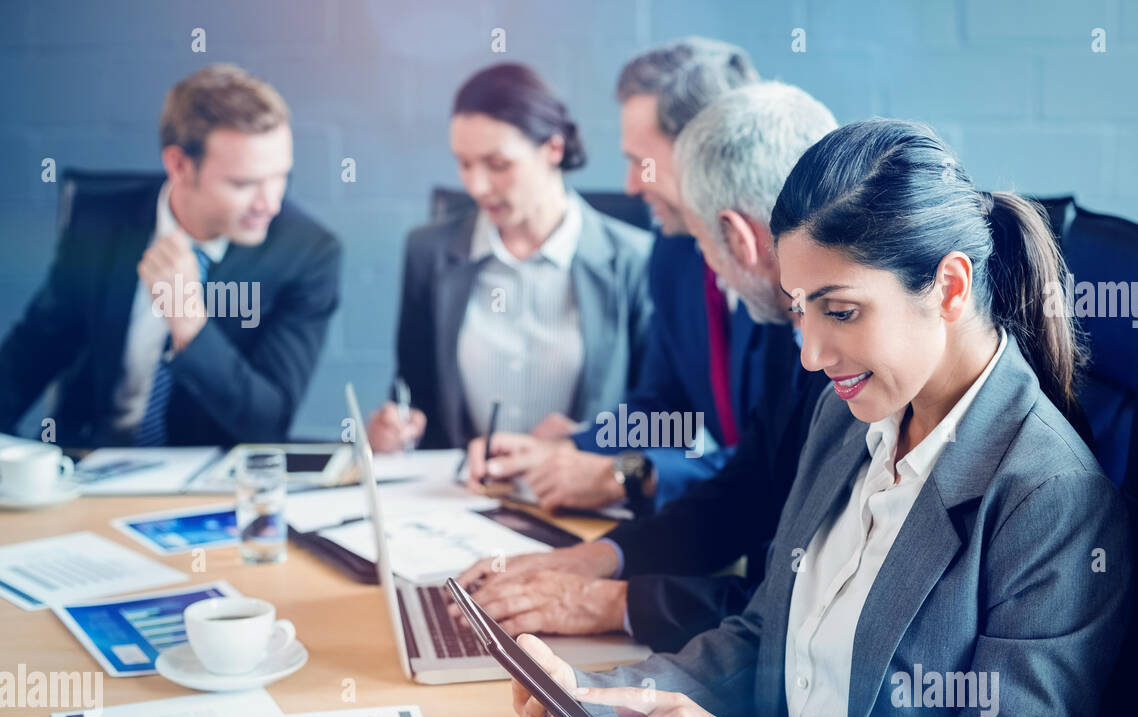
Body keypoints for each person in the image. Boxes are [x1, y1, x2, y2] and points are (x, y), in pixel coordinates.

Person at [507, 119, 1132, 717]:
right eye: (798, 308)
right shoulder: (847, 413)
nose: (809, 353)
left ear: (951, 287)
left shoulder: (1049, 499)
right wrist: (611, 702)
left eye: (840, 311)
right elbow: (764, 637)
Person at [456, 82, 837, 652]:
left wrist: (608, 601)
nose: (634, 184)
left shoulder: (822, 345)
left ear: (734, 234)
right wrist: (596, 558)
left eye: (641, 161)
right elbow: (749, 487)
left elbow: (802, 607)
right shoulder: (796, 320)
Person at [463, 38, 799, 516]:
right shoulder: (674, 251)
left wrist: (628, 476)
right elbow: (666, 412)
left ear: (705, 150)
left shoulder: (787, 275)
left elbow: (773, 465)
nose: (630, 185)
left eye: (640, 161)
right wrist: (573, 447)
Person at [0, 64, 341, 447]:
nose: (271, 202)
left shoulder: (307, 252)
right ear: (179, 165)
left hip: (208, 479)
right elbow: (29, 356)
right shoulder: (100, 223)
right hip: (90, 467)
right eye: (245, 183)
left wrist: (190, 325)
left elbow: (268, 423)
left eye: (281, 176)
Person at [366, 63, 652, 453]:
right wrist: (397, 428)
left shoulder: (636, 261)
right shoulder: (427, 254)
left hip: (584, 501)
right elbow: (416, 394)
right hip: (459, 496)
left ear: (553, 148)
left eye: (498, 165)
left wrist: (590, 443)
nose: (477, 186)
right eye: (464, 164)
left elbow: (663, 418)